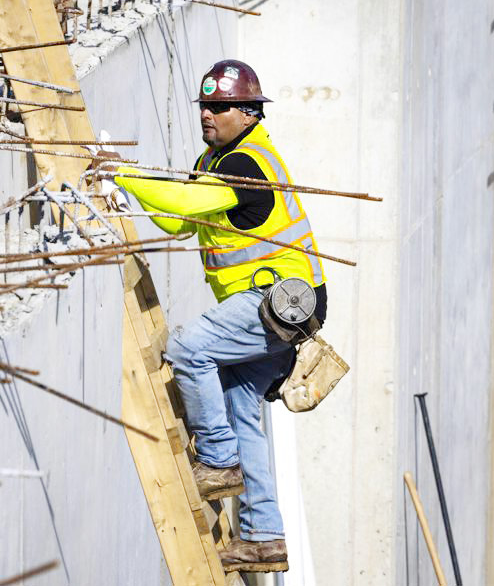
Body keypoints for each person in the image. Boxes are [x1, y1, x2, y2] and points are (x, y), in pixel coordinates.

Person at [104, 60, 328, 572]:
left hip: (279, 303)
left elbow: (183, 201)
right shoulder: (214, 159)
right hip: (274, 305)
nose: (208, 114)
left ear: (249, 113)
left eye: (220, 107)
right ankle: (264, 537)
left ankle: (218, 460)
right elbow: (178, 220)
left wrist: (122, 172)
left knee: (188, 348)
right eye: (205, 105)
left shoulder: (247, 163)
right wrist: (128, 190)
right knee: (238, 405)